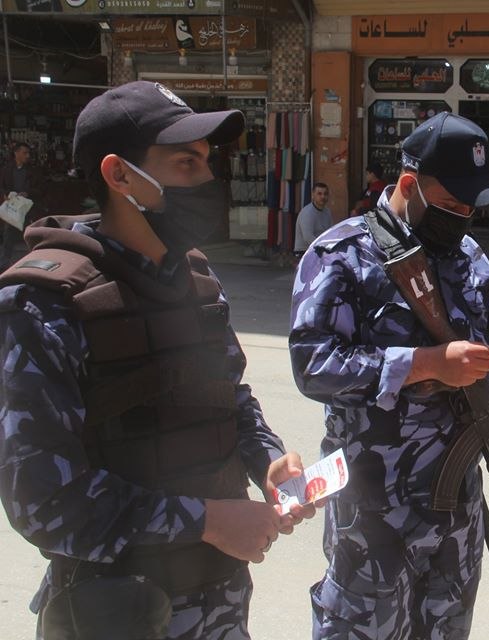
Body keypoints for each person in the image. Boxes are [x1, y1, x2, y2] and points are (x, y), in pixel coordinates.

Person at [0, 80, 312, 640]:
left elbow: (232, 396)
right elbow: (41, 498)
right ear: (119, 175)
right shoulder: (42, 302)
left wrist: (267, 461)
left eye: (206, 162)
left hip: (220, 597)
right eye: (185, 163)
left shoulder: (195, 278)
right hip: (115, 609)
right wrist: (211, 520)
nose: (207, 181)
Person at [289, 112, 489, 639]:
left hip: (456, 501)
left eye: (471, 207)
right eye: (451, 205)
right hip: (375, 506)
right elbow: (312, 367)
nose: (463, 217)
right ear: (408, 184)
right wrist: (422, 364)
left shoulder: (468, 254)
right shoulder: (339, 255)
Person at [0, 141, 41, 270]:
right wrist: (5, 195)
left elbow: (41, 188)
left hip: (28, 207)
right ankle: (5, 263)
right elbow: (2, 186)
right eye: (25, 153)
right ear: (16, 153)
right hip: (12, 207)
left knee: (29, 234)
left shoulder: (33, 170)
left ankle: (31, 263)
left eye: (28, 153)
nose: (27, 156)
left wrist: (28, 193)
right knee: (8, 235)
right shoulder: (6, 169)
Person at [294, 181, 333, 260]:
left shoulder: (327, 211)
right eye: (319, 194)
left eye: (325, 194)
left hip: (320, 251)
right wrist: (324, 248)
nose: (323, 196)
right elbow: (308, 237)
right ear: (313, 195)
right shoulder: (307, 213)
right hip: (305, 252)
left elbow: (330, 232)